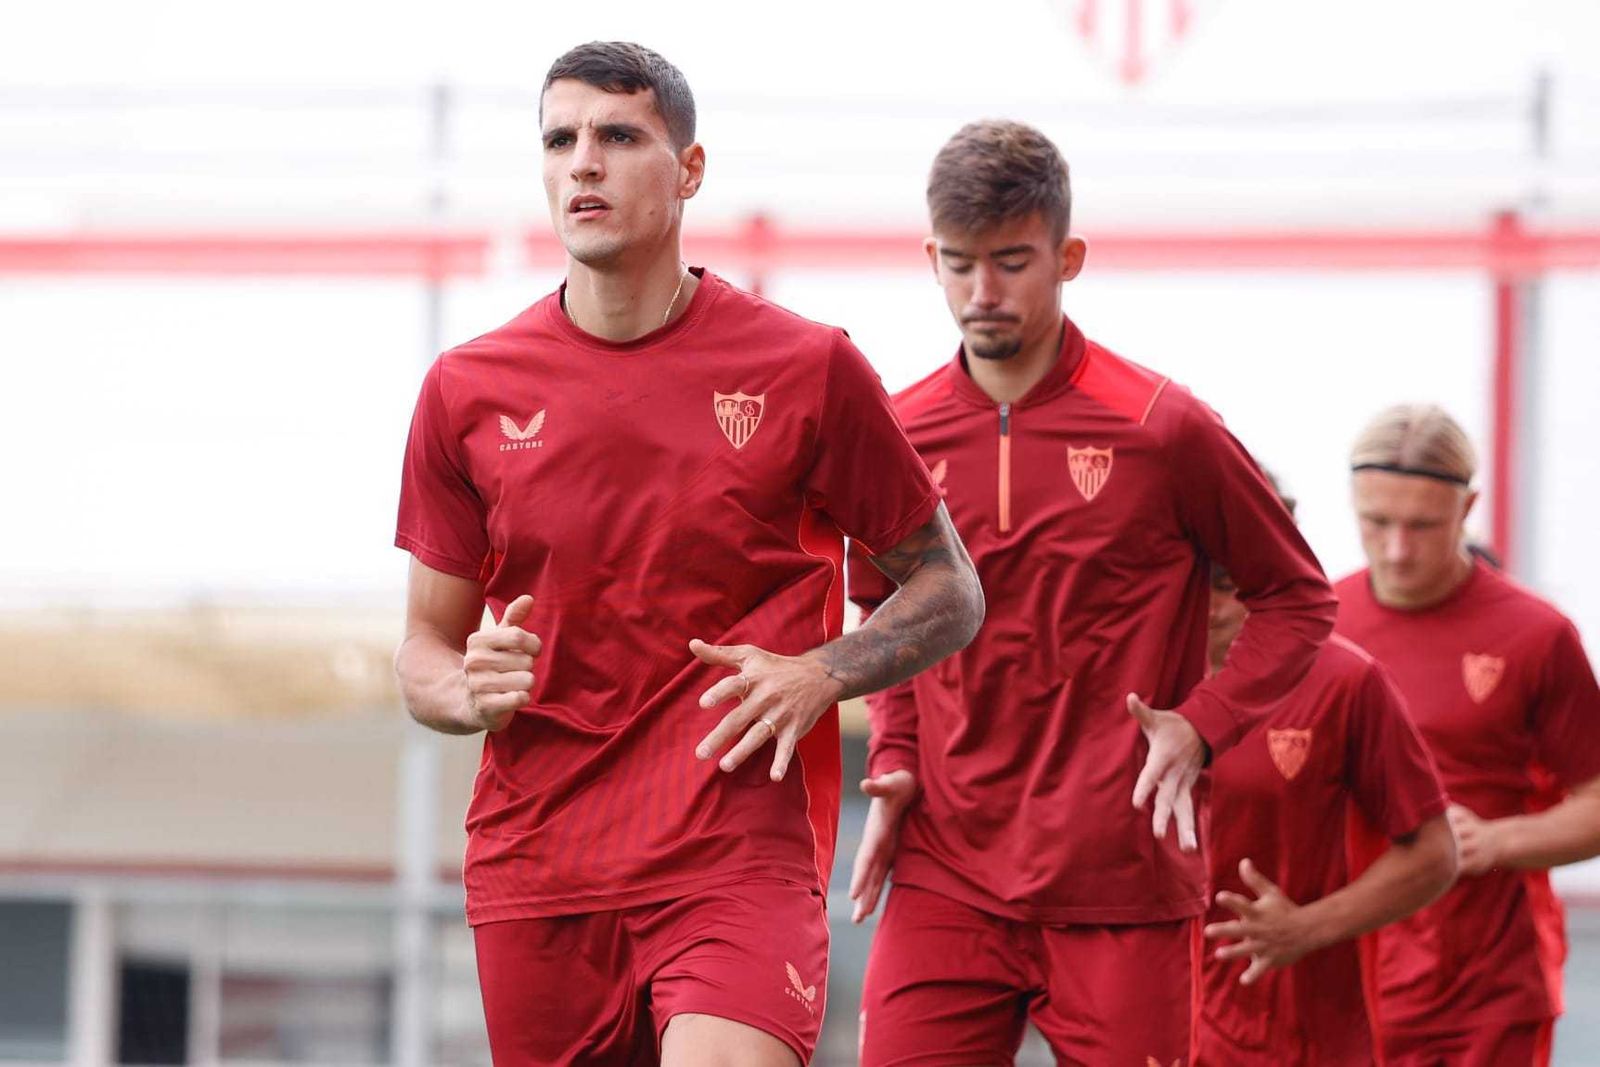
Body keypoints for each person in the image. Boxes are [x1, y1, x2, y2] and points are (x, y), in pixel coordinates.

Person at [392, 41, 984, 1067]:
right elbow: (422, 651)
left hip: (733, 857)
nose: (585, 162)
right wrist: (464, 690)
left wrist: (821, 672)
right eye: (561, 140)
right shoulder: (465, 389)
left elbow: (951, 588)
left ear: (689, 170)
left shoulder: (808, 367)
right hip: (541, 861)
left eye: (619, 136)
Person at [845, 119, 1336, 1066]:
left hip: (1121, 880)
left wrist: (1203, 723)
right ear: (931, 259)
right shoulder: (896, 432)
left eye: (1012, 262)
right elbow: (887, 616)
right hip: (947, 873)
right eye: (959, 264)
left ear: (1068, 256)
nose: (982, 292)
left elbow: (1298, 598)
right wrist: (900, 754)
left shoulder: (1166, 427)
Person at [1335, 403, 1600, 1067]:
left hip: (1486, 982)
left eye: (1423, 525)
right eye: (1378, 521)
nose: (1398, 548)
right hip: (1340, 968)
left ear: (1467, 507)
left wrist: (1492, 840)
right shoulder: (1315, 623)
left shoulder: (1537, 633)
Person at [1197, 472, 1456, 1066]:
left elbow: (1435, 852)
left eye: (1229, 583)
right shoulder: (1117, 675)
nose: (1211, 606)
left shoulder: (1344, 680)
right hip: (1147, 1022)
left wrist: (1307, 928)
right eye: (1196, 581)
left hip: (1290, 1033)